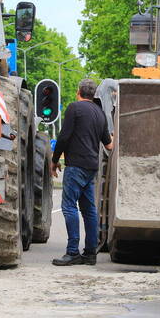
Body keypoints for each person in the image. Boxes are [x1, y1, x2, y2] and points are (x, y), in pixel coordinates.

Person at [51, 78, 112, 266]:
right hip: (91, 167)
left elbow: (63, 137)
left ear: (79, 92)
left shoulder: (74, 108)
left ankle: (72, 252)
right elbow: (109, 144)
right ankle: (90, 253)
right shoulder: (100, 113)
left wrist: (54, 160)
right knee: (89, 210)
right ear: (93, 95)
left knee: (69, 206)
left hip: (76, 165)